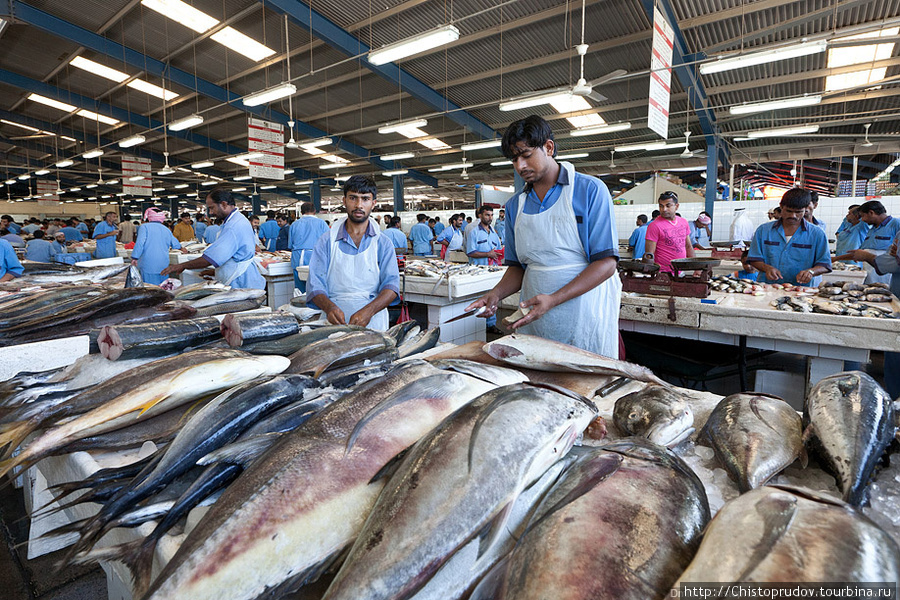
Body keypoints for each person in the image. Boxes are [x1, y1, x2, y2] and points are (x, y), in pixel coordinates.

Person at [467, 115, 621, 357]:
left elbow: (606, 263)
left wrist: (554, 299)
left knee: (580, 377)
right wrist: (495, 294)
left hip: (583, 310)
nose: (520, 166)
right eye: (514, 159)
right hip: (536, 313)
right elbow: (518, 266)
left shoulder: (588, 191)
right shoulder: (515, 206)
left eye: (526, 155)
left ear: (548, 148)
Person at [307, 175, 399, 330]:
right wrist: (329, 307)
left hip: (373, 319)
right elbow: (315, 284)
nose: (359, 205)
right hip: (333, 321)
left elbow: (392, 287)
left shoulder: (383, 243)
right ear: (344, 201)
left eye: (365, 199)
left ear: (373, 203)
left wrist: (369, 311)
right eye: (353, 198)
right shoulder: (326, 241)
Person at [161, 188, 265, 289]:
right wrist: (215, 272)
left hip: (241, 281)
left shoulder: (233, 225)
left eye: (212, 208)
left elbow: (212, 258)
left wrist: (182, 266)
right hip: (240, 277)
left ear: (224, 204)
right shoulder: (236, 220)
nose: (210, 212)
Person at [747, 188, 831, 287]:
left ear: (805, 210)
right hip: (768, 287)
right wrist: (766, 268)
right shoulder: (763, 230)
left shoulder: (817, 234)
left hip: (802, 290)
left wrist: (811, 272)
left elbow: (825, 264)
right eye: (789, 211)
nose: (793, 216)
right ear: (781, 206)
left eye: (798, 212)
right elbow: (754, 258)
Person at [839, 200, 900, 285]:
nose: (862, 220)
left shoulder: (895, 223)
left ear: (871, 213)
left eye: (863, 216)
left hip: (885, 269)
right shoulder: (872, 230)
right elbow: (864, 251)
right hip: (869, 268)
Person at [466, 206, 503, 331]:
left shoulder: (494, 233)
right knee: (480, 297)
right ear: (480, 215)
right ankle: (478, 326)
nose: (490, 218)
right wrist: (488, 254)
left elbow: (497, 250)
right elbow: (470, 252)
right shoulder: (474, 232)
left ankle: (491, 324)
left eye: (491, 215)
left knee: (493, 296)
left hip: (492, 271)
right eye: (487, 215)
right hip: (478, 272)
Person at [645, 191, 694, 274]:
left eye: (668, 206)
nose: (664, 209)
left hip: (680, 271)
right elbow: (649, 254)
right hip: (662, 273)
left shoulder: (683, 222)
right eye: (661, 206)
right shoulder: (654, 226)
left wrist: (697, 269)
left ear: (676, 206)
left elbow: (688, 246)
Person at [132, 207, 182, 285]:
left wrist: (135, 257)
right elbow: (176, 245)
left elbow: (140, 243)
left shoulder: (144, 227)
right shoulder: (166, 229)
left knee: (150, 288)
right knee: (164, 287)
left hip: (148, 264)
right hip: (163, 264)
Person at [288, 202, 329, 292]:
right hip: (315, 256)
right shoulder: (321, 223)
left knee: (299, 288)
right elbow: (328, 243)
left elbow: (290, 244)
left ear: (301, 212)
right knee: (316, 285)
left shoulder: (294, 224)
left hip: (297, 257)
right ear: (314, 211)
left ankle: (299, 303)